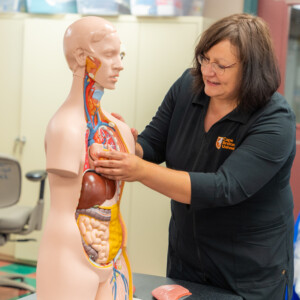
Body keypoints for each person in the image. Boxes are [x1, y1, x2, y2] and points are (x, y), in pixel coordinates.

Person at [93, 13, 296, 300]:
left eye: (222, 65)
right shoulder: (188, 88)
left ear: (251, 69)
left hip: (248, 270)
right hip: (187, 256)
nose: (208, 72)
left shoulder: (274, 120)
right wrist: (124, 142)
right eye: (204, 59)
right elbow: (152, 144)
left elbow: (224, 188)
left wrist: (137, 170)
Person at [36, 16, 134, 300]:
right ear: (82, 57)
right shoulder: (66, 128)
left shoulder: (119, 130)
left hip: (114, 249)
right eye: (109, 54)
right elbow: (63, 210)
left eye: (121, 54)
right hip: (70, 255)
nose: (119, 64)